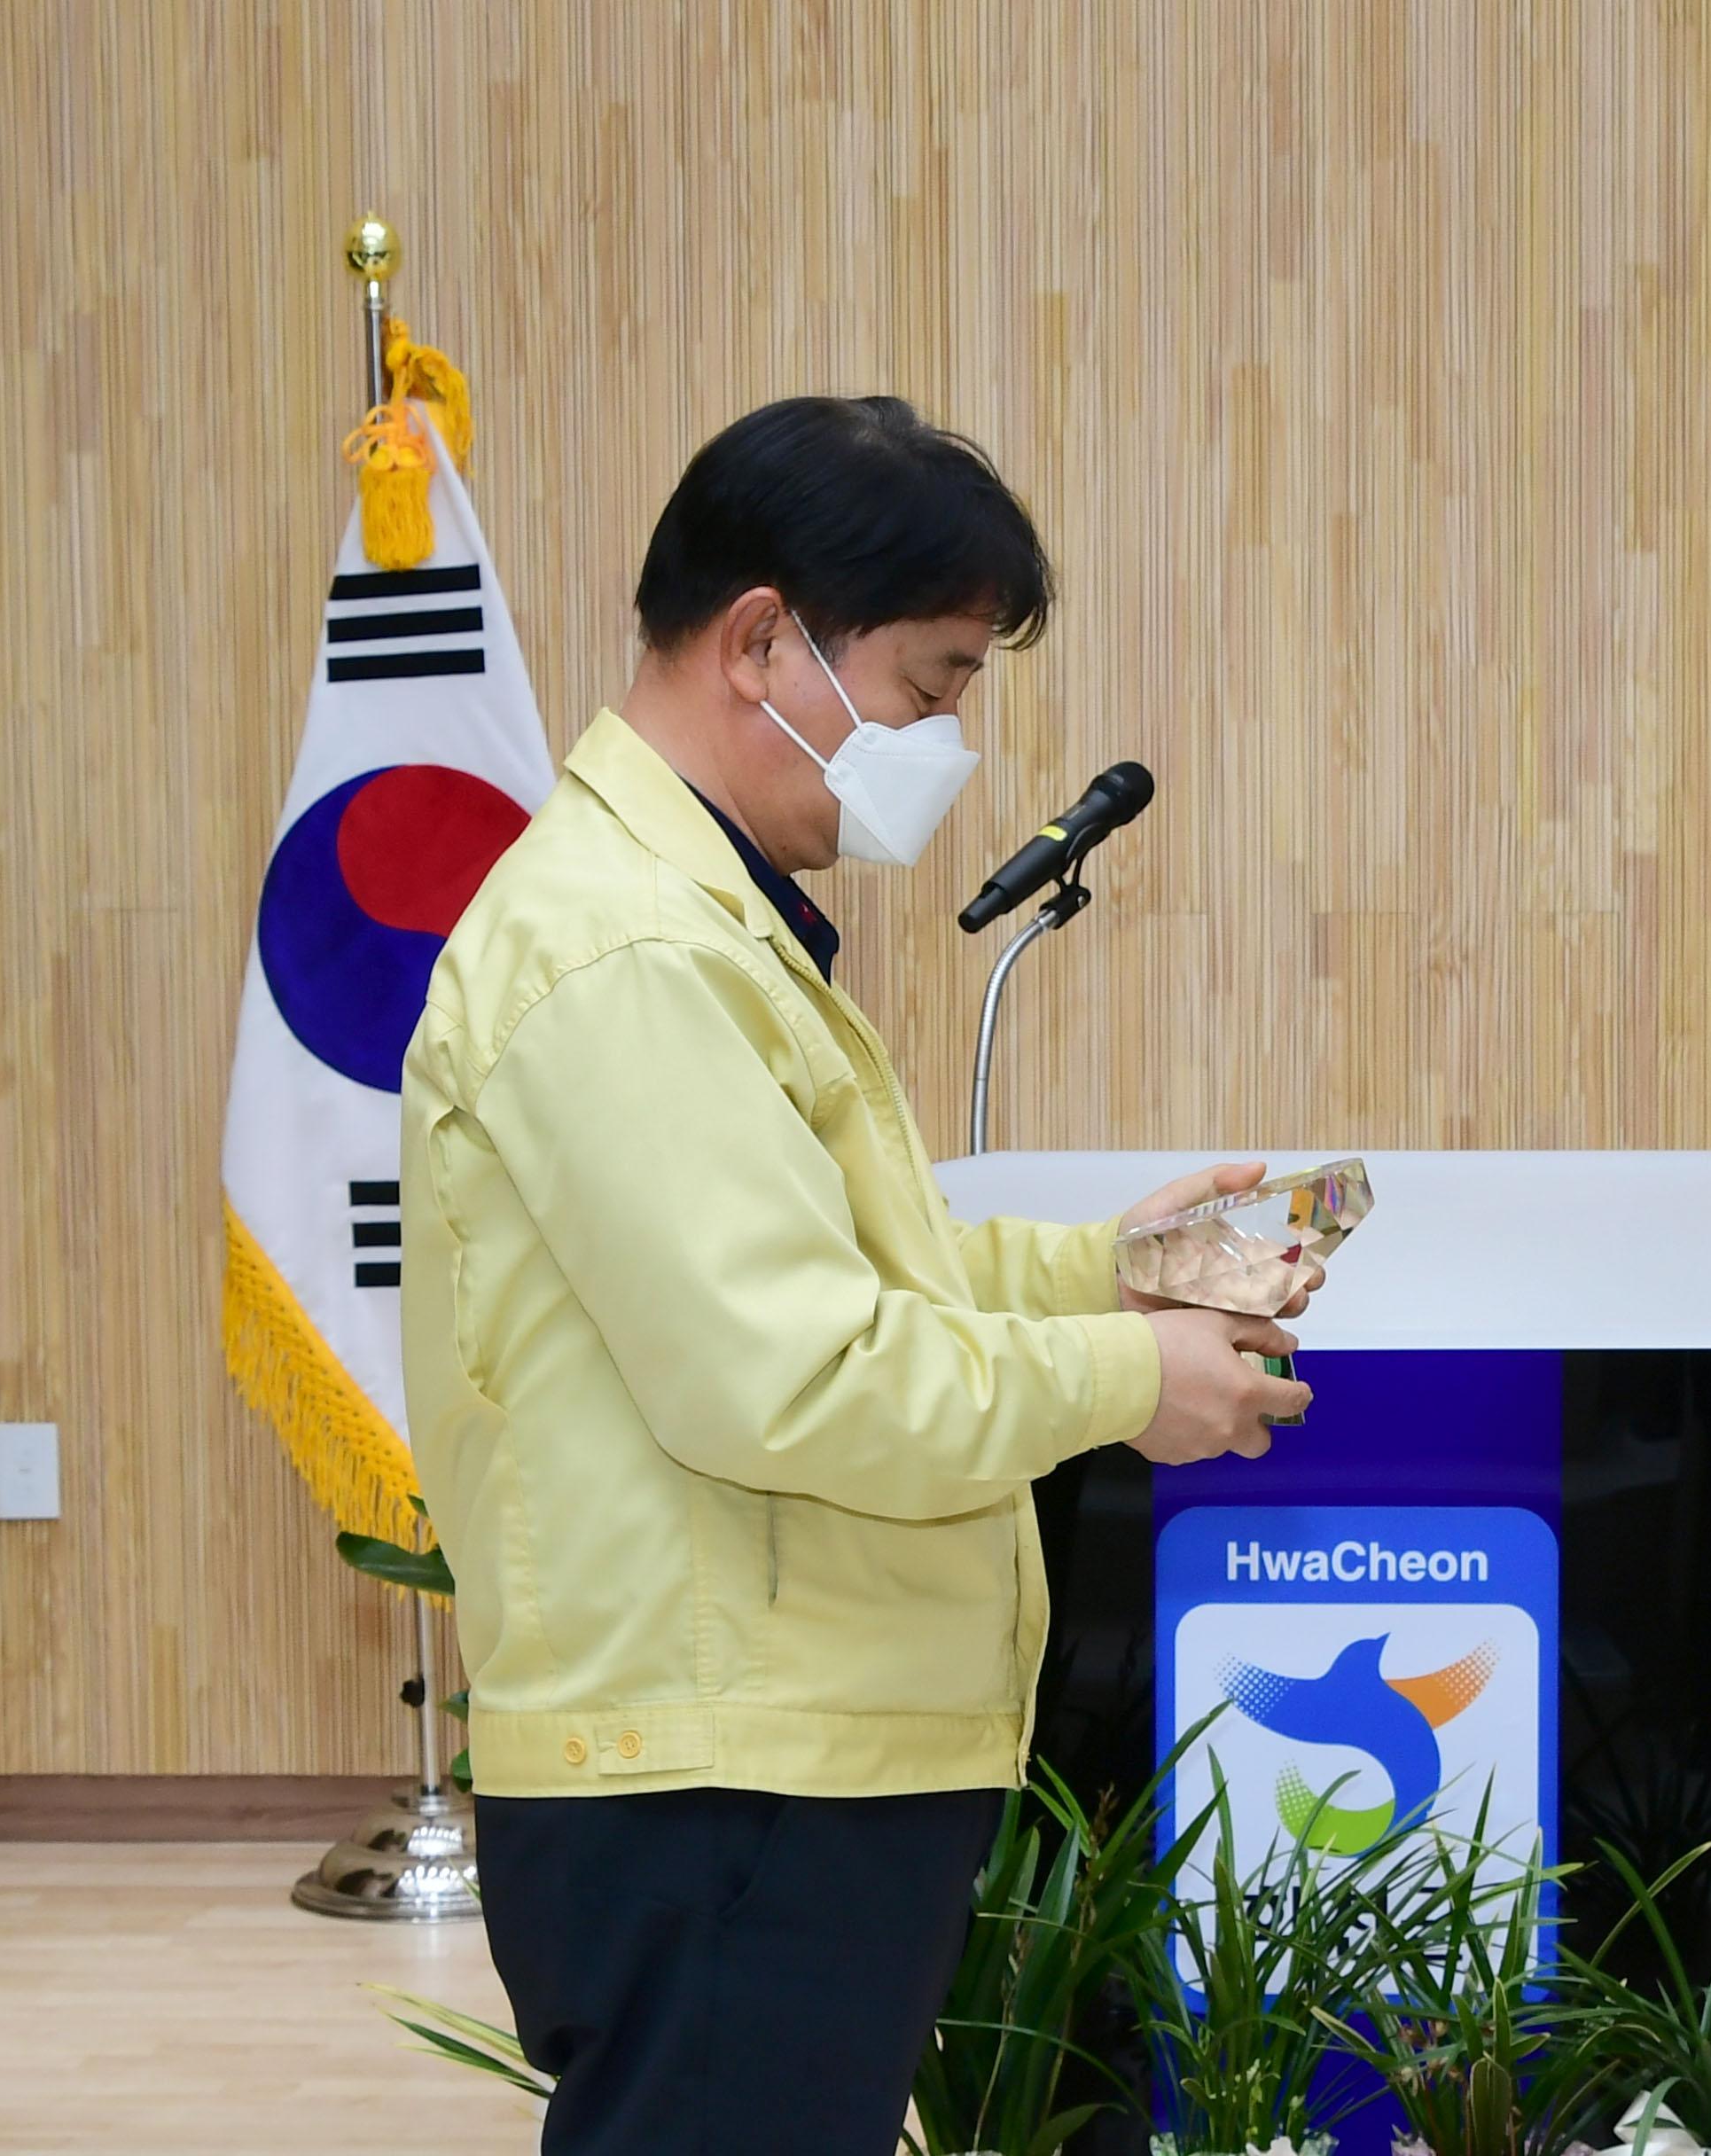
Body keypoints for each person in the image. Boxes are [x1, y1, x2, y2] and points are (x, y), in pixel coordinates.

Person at [401, 395, 1314, 2152]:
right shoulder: (626, 951)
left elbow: (852, 1269)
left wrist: (1114, 1271)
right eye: (935, 683)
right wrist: (1139, 1382)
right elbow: (794, 1372)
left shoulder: (703, 924)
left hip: (764, 1754)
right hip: (720, 1776)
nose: (949, 741)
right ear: (762, 642)